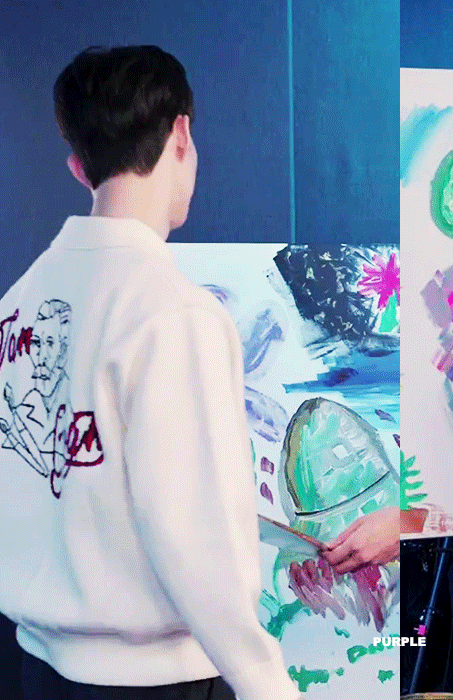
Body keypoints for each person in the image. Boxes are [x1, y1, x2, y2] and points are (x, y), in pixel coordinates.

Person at [0, 46, 301, 700]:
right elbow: (193, 536)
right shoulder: (174, 313)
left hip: (31, 667)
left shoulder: (17, 305)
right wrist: (265, 683)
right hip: (154, 680)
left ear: (79, 165)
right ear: (182, 133)